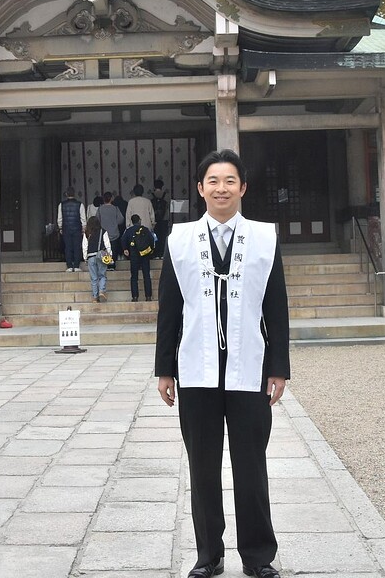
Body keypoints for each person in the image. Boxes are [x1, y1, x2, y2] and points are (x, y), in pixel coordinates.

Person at [155, 150, 289, 578]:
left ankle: (258, 557)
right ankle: (208, 556)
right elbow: (169, 309)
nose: (221, 188)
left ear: (242, 188)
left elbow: (277, 308)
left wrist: (278, 366)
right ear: (200, 189)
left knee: (251, 466)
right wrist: (165, 368)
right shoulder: (180, 241)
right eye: (213, 181)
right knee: (204, 467)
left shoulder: (265, 239)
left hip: (249, 368)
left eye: (230, 180)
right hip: (196, 370)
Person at [121, 213, 155, 302]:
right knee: (146, 275)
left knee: (134, 277)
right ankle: (148, 296)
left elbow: (123, 240)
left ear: (132, 221)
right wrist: (150, 251)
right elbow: (152, 240)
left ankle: (135, 297)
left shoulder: (128, 231)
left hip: (134, 255)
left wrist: (125, 249)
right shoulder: (145, 229)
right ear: (139, 220)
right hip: (145, 255)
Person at [82, 216, 111, 303]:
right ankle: (102, 291)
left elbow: (84, 246)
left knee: (94, 278)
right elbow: (107, 244)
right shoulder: (103, 231)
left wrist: (85, 257)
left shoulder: (87, 233)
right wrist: (109, 254)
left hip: (90, 256)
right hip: (101, 256)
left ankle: (95, 297)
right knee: (102, 275)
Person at [57, 188, 86, 272]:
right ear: (74, 194)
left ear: (66, 194)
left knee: (68, 247)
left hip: (66, 228)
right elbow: (83, 218)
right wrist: (83, 228)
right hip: (77, 228)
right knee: (77, 247)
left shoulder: (61, 205)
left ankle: (69, 266)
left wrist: (60, 227)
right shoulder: (80, 204)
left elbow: (60, 218)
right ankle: (76, 266)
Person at [98, 191, 125, 269]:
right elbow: (121, 220)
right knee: (113, 249)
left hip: (103, 233)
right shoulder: (115, 208)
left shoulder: (100, 209)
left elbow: (97, 220)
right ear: (111, 199)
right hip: (114, 233)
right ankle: (112, 265)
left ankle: (105, 265)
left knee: (104, 250)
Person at [149, 177, 169, 257]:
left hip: (155, 221)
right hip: (164, 220)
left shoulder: (150, 196)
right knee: (163, 237)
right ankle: (162, 253)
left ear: (154, 186)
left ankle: (155, 254)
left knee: (155, 237)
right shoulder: (166, 196)